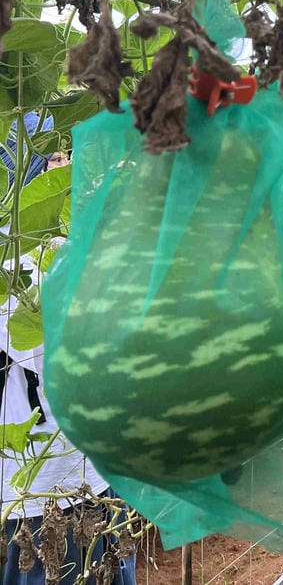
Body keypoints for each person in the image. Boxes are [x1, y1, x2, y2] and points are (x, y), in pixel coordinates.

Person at [2, 117, 137, 585]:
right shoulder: (19, 264)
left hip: (91, 471)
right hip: (40, 490)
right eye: (55, 160)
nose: (68, 170)